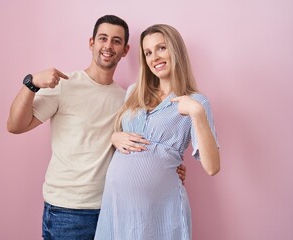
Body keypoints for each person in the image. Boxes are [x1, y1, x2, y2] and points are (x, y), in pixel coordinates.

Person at [7, 15, 185, 240]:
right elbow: (15, 125)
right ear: (92, 43)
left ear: (126, 50)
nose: (108, 46)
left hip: (114, 207)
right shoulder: (64, 84)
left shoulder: (128, 98)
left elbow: (145, 144)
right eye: (103, 38)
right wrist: (30, 84)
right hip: (68, 211)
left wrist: (170, 167)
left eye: (116, 41)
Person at [94, 24, 220, 240]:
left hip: (160, 210)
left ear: (175, 50)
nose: (154, 57)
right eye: (148, 52)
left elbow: (212, 167)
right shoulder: (134, 91)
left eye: (161, 48)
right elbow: (121, 132)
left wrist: (197, 113)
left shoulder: (197, 102)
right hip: (117, 205)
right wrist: (115, 137)